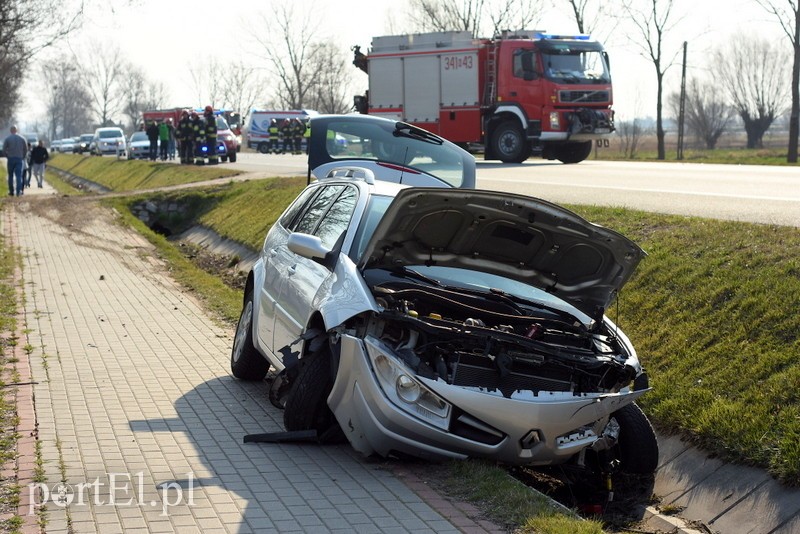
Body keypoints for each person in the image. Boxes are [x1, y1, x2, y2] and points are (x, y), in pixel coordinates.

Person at [3, 126, 28, 196]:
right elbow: (26, 149)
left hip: (11, 158)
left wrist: (7, 156)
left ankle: (11, 191)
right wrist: (23, 156)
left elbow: (4, 149)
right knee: (19, 176)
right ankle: (18, 191)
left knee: (10, 175)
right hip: (19, 158)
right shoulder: (22, 138)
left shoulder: (7, 139)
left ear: (10, 130)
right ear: (16, 130)